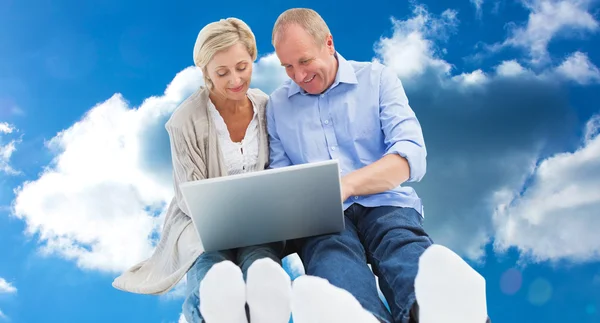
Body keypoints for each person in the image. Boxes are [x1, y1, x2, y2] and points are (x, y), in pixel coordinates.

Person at [266, 8, 473, 323]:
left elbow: (410, 155)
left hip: (386, 203)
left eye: (305, 61)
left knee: (405, 251)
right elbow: (281, 180)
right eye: (288, 67)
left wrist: (346, 185)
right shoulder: (277, 106)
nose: (298, 75)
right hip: (324, 223)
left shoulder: (377, 79)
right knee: (335, 274)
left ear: (329, 43)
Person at [112, 17, 286, 323]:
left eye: (242, 67)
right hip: (204, 226)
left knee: (263, 276)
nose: (235, 79)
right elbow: (190, 198)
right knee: (215, 283)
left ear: (252, 59)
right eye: (222, 72)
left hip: (257, 221)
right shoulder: (185, 120)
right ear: (205, 72)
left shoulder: (265, 106)